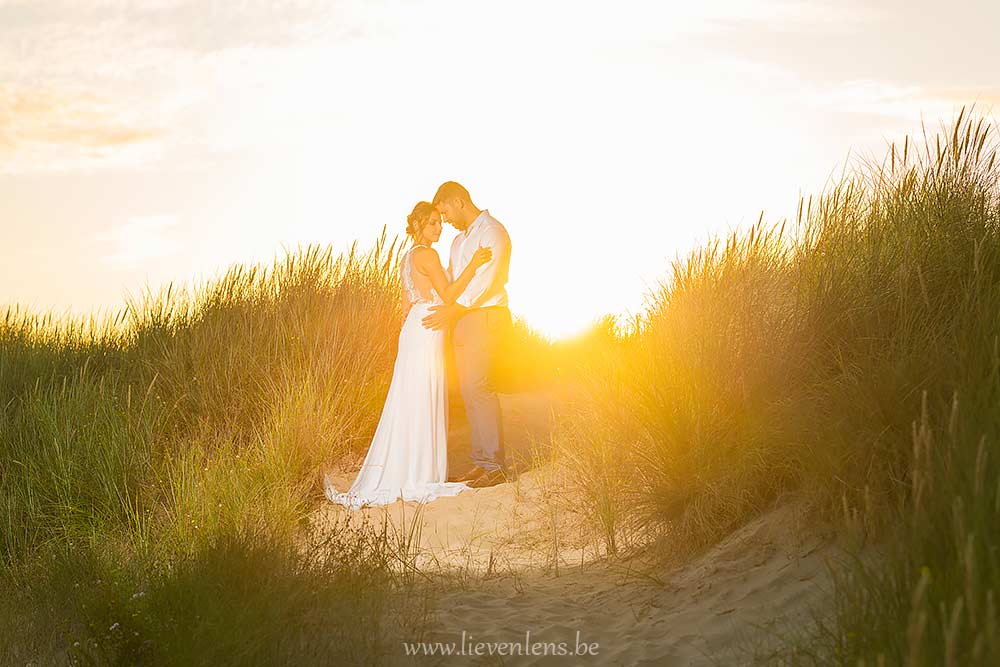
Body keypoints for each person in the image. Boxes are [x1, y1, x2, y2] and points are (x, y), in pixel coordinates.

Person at [325, 201, 491, 508]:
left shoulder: (406, 258)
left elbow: (403, 309)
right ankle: (420, 473)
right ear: (417, 226)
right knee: (422, 397)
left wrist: (408, 335)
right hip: (427, 328)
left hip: (415, 328)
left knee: (411, 398)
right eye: (432, 224)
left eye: (440, 222)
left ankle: (410, 468)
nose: (438, 228)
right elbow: (450, 295)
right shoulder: (427, 254)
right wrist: (475, 263)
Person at [423, 181, 513, 489]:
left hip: (485, 316)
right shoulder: (459, 242)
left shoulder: (493, 232)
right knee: (467, 390)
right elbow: (453, 279)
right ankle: (481, 462)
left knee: (479, 386)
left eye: (445, 212)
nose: (444, 220)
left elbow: (484, 282)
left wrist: (453, 310)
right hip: (463, 319)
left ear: (459, 201)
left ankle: (494, 465)